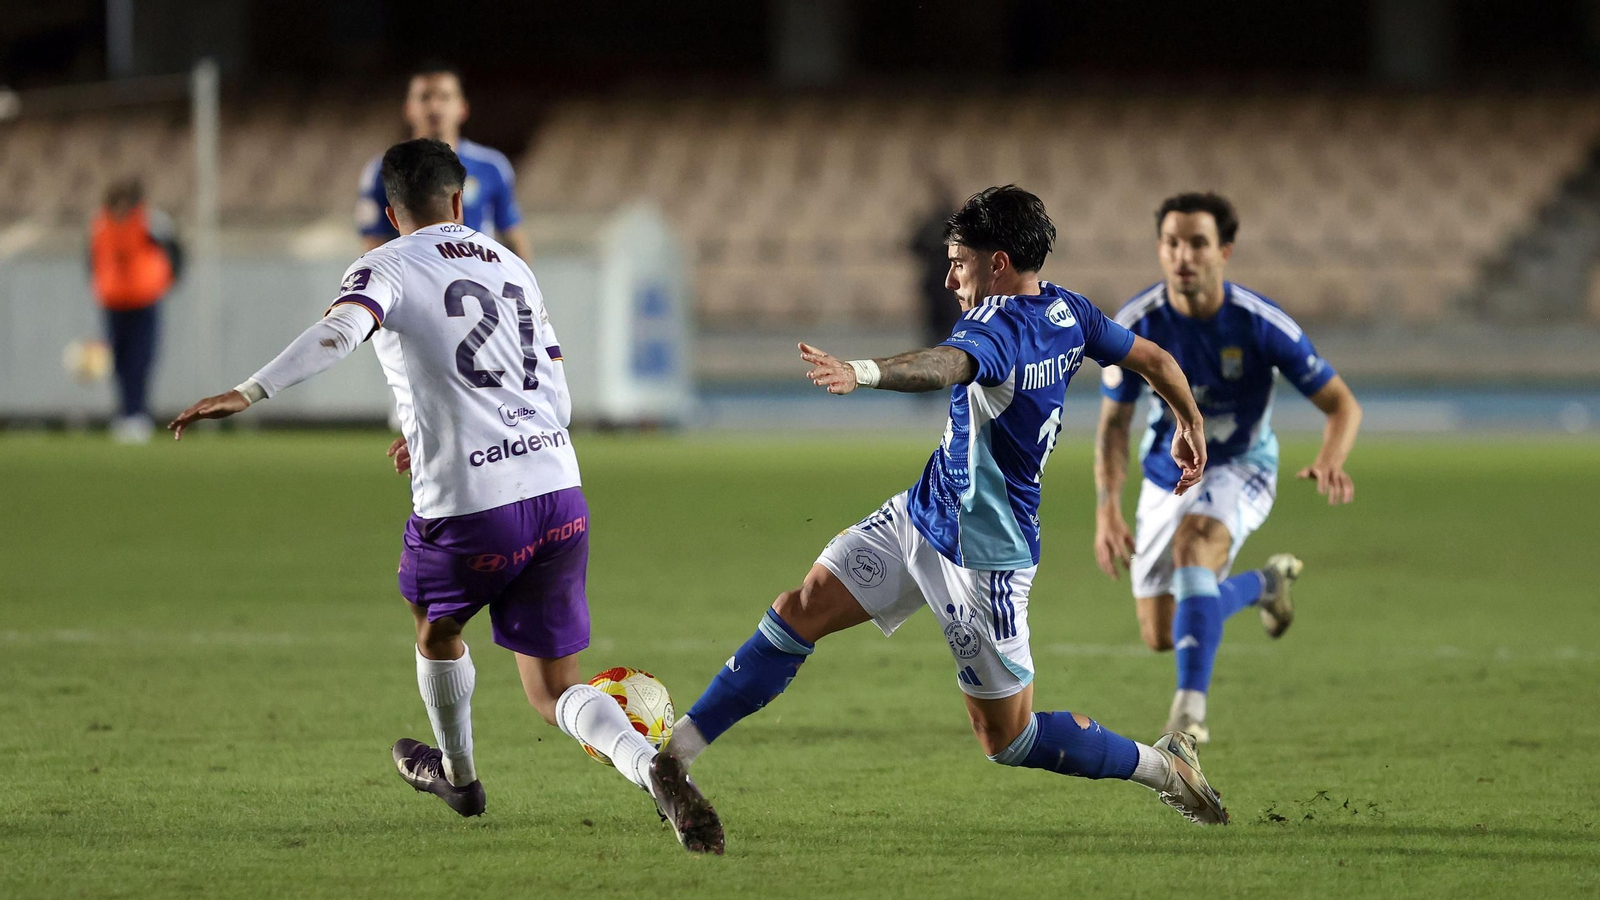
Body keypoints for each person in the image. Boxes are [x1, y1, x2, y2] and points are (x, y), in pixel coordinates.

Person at [168, 139, 722, 855]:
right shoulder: (512, 265)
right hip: (558, 489)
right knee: (555, 692)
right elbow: (554, 394)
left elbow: (340, 333)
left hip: (471, 506)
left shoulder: (386, 265)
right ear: (460, 200)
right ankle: (653, 767)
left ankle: (458, 778)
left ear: (390, 211)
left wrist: (249, 391)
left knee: (435, 627)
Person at [661, 185, 1231, 832]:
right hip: (924, 512)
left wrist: (865, 372)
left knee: (1009, 741)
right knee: (801, 608)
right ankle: (673, 760)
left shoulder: (996, 327)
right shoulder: (1067, 311)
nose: (948, 277)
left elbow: (945, 365)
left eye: (958, 261)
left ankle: (1163, 767)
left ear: (997, 264)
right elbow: (1152, 357)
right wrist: (1191, 423)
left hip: (983, 553)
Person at [1093, 192, 1363, 743]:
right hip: (1166, 475)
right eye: (1172, 243)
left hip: (1242, 465)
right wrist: (1106, 509)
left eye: (1198, 243)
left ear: (1225, 251)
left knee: (1196, 546)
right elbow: (1114, 426)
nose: (1183, 256)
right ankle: (1264, 584)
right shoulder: (1134, 324)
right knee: (1161, 633)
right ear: (1159, 250)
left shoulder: (1260, 325)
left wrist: (1329, 459)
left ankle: (1188, 717)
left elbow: (1342, 404)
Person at [357, 63, 528, 261]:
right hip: (414, 284)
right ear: (408, 109)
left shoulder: (492, 167)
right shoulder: (383, 169)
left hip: (477, 283)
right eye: (425, 97)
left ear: (462, 108)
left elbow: (513, 236)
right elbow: (373, 243)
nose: (434, 106)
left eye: (444, 97)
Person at [88, 179, 182, 443]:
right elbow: (92, 257)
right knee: (118, 360)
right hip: (114, 302)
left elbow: (174, 250)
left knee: (141, 359)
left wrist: (167, 280)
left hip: (143, 300)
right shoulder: (99, 223)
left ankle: (138, 414)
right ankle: (125, 413)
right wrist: (97, 286)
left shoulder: (152, 222)